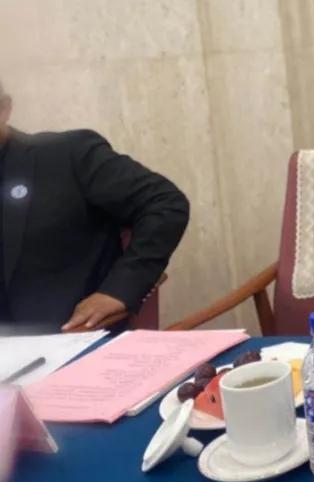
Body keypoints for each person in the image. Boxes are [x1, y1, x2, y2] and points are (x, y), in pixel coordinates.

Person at [0, 82, 190, 331]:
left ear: (4, 109)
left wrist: (118, 291)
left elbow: (165, 203)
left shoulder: (67, 154)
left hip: (71, 338)